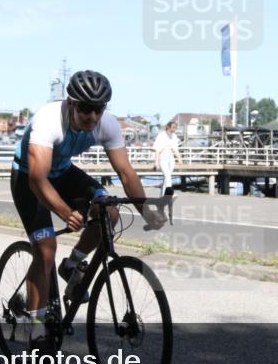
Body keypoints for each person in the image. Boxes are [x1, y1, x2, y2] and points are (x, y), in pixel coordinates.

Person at [11, 70, 165, 349]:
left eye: (98, 109)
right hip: (28, 178)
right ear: (71, 103)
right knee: (45, 251)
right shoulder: (48, 120)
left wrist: (147, 213)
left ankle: (71, 267)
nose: (92, 116)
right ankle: (35, 327)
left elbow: (126, 173)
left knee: (109, 211)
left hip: (63, 172)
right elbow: (37, 179)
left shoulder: (107, 125)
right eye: (85, 108)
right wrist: (64, 212)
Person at [152, 121, 183, 196]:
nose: (174, 129)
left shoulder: (174, 136)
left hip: (171, 157)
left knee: (168, 177)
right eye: (173, 128)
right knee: (167, 175)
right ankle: (169, 193)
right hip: (163, 157)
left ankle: (163, 195)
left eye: (175, 128)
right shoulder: (161, 135)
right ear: (168, 127)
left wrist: (179, 158)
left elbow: (175, 148)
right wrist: (156, 162)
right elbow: (157, 149)